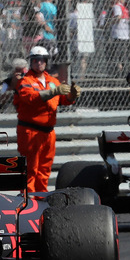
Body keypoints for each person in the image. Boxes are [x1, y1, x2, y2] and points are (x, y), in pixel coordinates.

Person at [14, 45, 79, 193]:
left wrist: (72, 95)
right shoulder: (25, 81)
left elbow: (64, 100)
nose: (39, 63)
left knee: (44, 169)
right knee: (30, 169)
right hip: (30, 131)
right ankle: (28, 200)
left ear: (46, 61)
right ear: (31, 62)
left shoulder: (52, 81)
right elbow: (30, 98)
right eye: (36, 60)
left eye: (42, 60)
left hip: (48, 133)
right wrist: (53, 92)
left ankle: (41, 198)